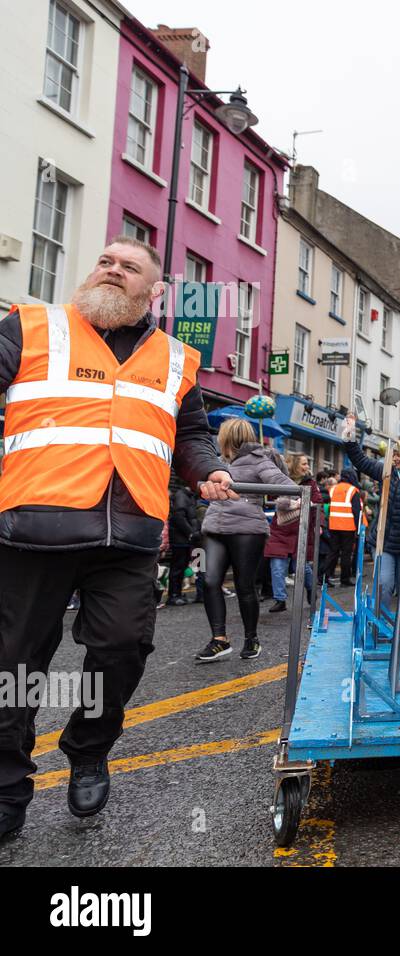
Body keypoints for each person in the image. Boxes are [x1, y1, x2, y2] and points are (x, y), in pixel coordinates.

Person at [0, 237, 235, 841]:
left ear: (154, 292)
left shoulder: (178, 358)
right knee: (13, 666)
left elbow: (191, 435)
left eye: (128, 267)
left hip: (128, 535)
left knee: (122, 649)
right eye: (105, 260)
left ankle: (88, 747)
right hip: (34, 529)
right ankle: (5, 787)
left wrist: (207, 469)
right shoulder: (30, 326)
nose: (111, 270)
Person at [196, 419, 293, 663]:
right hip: (213, 528)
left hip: (246, 530)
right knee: (208, 580)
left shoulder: (259, 460)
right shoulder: (218, 463)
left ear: (227, 437)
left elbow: (288, 487)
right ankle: (220, 640)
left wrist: (280, 502)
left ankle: (252, 639)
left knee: (244, 585)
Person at [342, 414, 400, 612]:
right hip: (385, 542)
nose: (397, 459)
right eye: (394, 454)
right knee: (385, 585)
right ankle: (380, 625)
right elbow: (360, 461)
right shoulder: (385, 472)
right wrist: (350, 437)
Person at [264, 453, 322, 613]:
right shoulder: (278, 479)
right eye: (304, 463)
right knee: (276, 565)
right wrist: (294, 504)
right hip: (281, 528)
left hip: (301, 528)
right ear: (293, 464)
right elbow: (271, 497)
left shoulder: (311, 482)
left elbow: (317, 502)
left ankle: (311, 589)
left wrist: (319, 524)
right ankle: (280, 599)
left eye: (307, 464)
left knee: (301, 566)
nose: (307, 467)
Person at [321, 468, 362, 587]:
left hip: (334, 526)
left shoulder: (333, 489)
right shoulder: (353, 490)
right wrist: (357, 529)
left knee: (333, 552)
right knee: (346, 554)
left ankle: (325, 577)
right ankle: (345, 579)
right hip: (348, 527)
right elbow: (356, 511)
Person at [166, 478, 201, 606]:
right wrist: (191, 532)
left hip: (185, 538)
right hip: (181, 539)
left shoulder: (188, 496)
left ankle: (177, 594)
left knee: (181, 568)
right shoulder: (182, 496)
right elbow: (178, 517)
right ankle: (174, 595)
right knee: (178, 568)